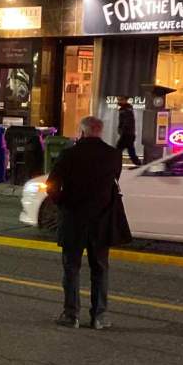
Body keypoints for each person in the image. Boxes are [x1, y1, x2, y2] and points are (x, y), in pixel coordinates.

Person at [46, 115, 126, 330]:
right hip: (101, 221)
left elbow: (52, 186)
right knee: (100, 268)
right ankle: (99, 315)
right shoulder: (113, 155)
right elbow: (113, 182)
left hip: (73, 219)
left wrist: (63, 203)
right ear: (100, 131)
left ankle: (71, 314)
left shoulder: (69, 154)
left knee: (71, 268)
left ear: (81, 132)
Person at [115, 96, 141, 166]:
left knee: (118, 150)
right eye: (118, 100)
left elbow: (127, 122)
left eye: (120, 100)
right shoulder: (126, 108)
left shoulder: (126, 109)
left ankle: (115, 163)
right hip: (129, 134)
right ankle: (138, 163)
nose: (118, 101)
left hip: (127, 134)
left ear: (125, 100)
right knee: (131, 150)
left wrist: (122, 130)